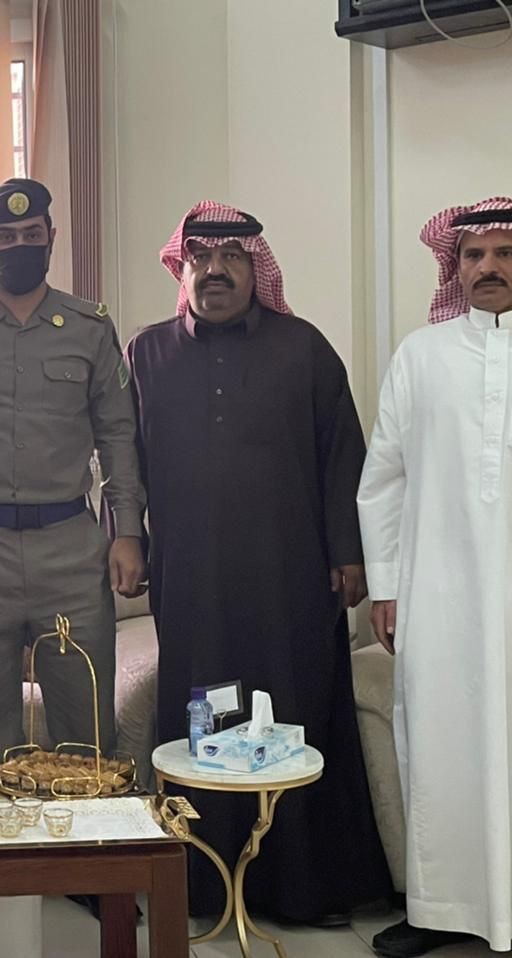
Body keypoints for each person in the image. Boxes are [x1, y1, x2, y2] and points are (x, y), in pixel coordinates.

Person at [121, 200, 391, 924]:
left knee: (292, 711)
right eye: (202, 257)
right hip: (191, 580)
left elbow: (344, 457)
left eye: (232, 257)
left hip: (290, 577)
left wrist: (349, 553)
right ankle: (203, 884)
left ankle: (303, 887)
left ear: (255, 268)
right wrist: (126, 539)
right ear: (182, 268)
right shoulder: (145, 354)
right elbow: (123, 465)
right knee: (202, 717)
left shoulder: (304, 348)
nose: (215, 270)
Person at [0, 177, 145, 763]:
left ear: (51, 239)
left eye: (31, 234)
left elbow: (117, 435)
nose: (19, 246)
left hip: (68, 550)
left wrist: (128, 532)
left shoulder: (90, 328)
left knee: (86, 734)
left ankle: (89, 825)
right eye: (6, 236)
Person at [359, 197, 512, 958]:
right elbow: (383, 479)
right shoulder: (420, 355)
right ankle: (439, 907)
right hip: (440, 592)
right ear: (454, 268)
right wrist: (386, 585)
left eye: (505, 253)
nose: (489, 267)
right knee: (441, 741)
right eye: (474, 255)